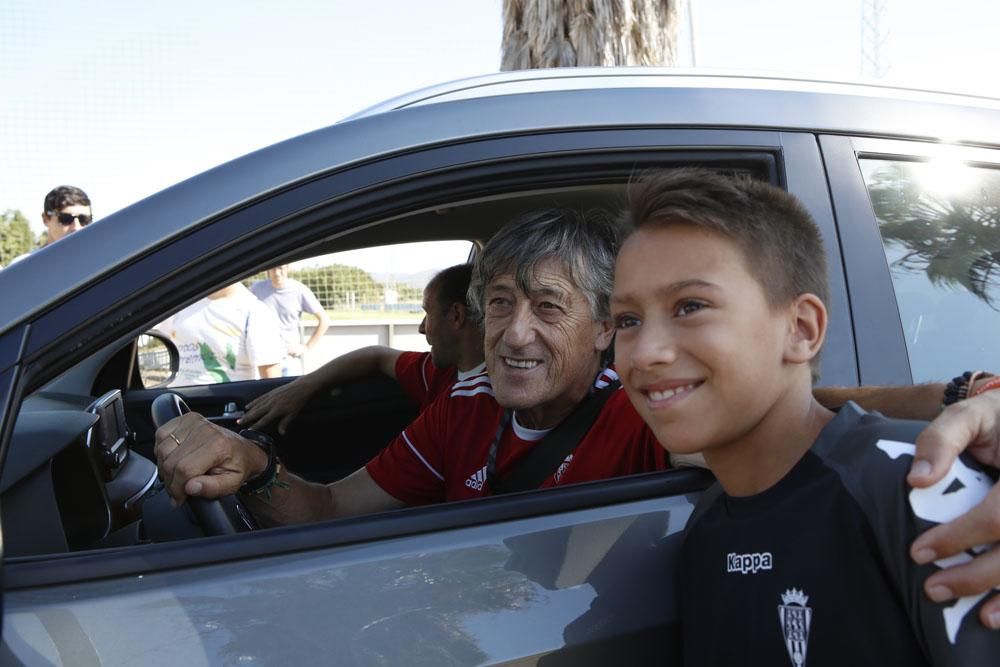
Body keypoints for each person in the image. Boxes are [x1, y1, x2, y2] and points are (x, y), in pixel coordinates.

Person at [156, 206, 1000, 628]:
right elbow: (332, 507)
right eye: (498, 304)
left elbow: (802, 411)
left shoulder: (647, 411)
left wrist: (966, 397)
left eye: (548, 307)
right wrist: (255, 465)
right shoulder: (465, 401)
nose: (514, 333)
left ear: (603, 330)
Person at [611, 168, 997, 663]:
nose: (645, 352)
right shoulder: (706, 527)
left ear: (801, 329)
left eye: (690, 306)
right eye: (627, 320)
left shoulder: (916, 486)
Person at [239, 263, 486, 434]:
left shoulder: (487, 402)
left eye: (427, 313)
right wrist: (303, 387)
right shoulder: (434, 372)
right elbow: (375, 355)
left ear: (456, 315)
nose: (422, 328)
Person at [165, 282, 284, 386]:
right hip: (178, 406)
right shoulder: (182, 306)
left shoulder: (256, 312)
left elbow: (271, 382)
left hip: (223, 408)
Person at [250, 264, 331, 376]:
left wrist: (306, 347)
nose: (277, 272)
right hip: (265, 357)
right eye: (273, 268)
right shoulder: (257, 288)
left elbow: (324, 320)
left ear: (288, 268)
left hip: (289, 359)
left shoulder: (299, 290)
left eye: (280, 268)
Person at [8, 185, 93, 266]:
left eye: (84, 219)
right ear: (46, 219)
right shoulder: (23, 267)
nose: (76, 227)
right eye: (66, 218)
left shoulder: (98, 264)